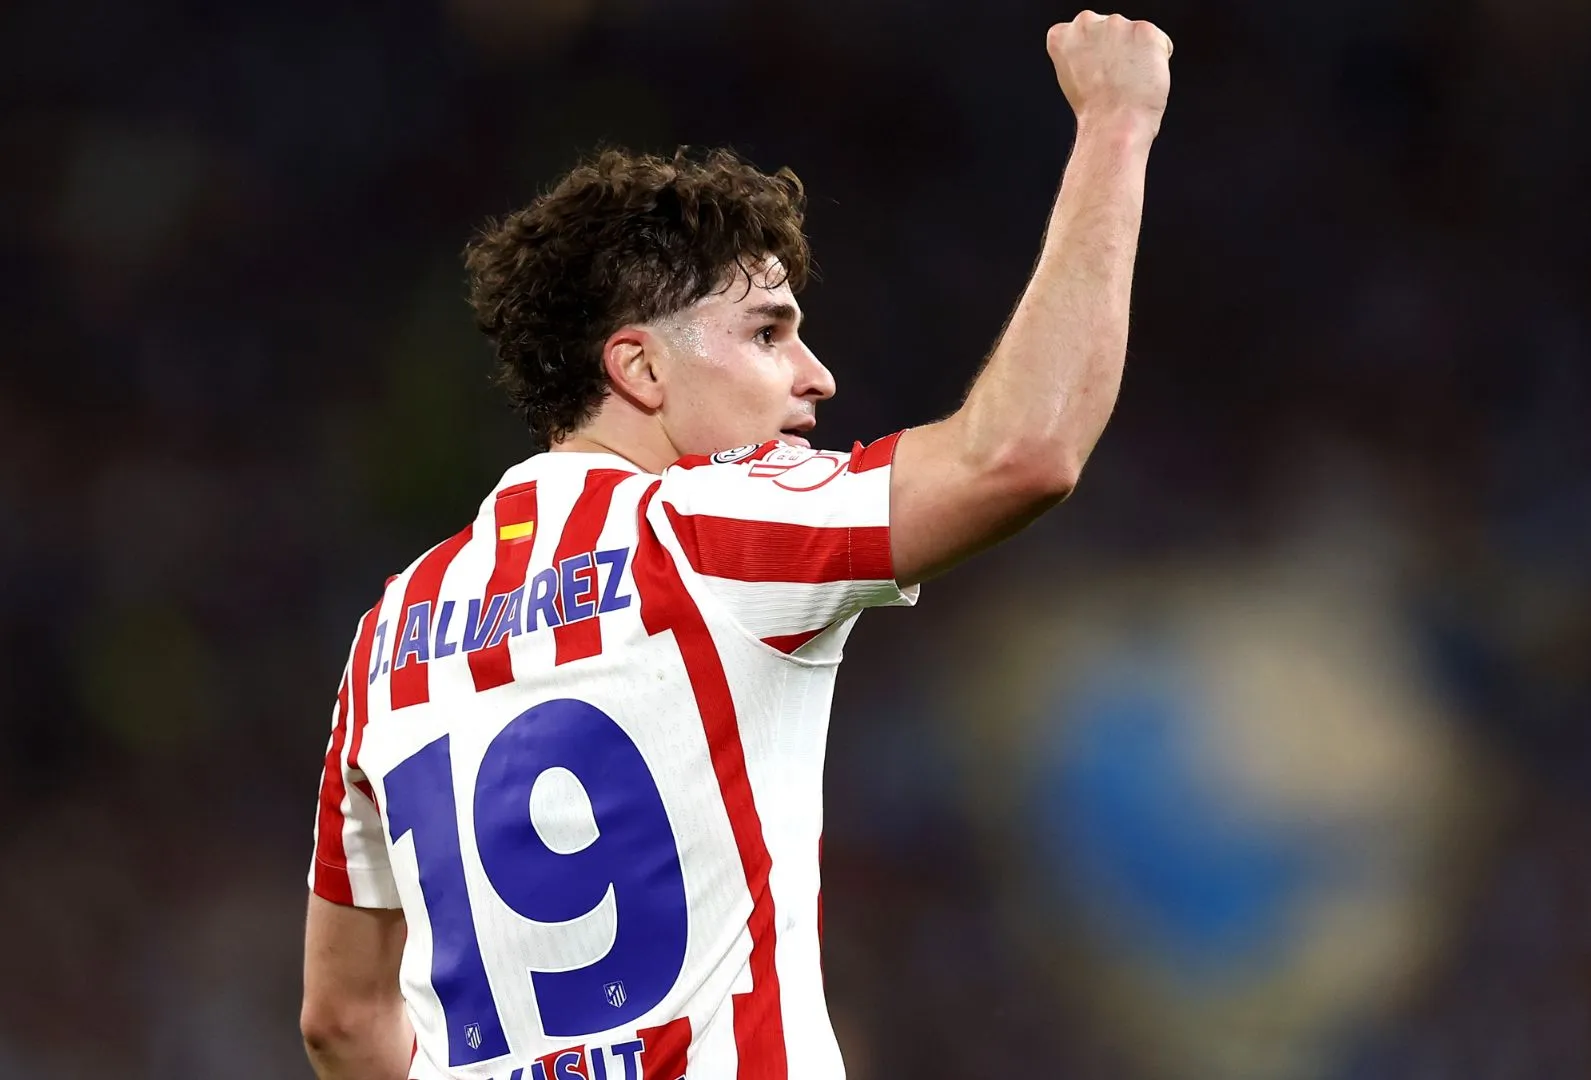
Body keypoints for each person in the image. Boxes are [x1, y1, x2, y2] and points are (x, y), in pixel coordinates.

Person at [298, 11, 1172, 1080]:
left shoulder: (386, 638)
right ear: (642, 370)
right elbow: (1022, 454)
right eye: (769, 332)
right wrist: (1119, 121)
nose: (817, 376)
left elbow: (340, 1021)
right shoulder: (703, 532)